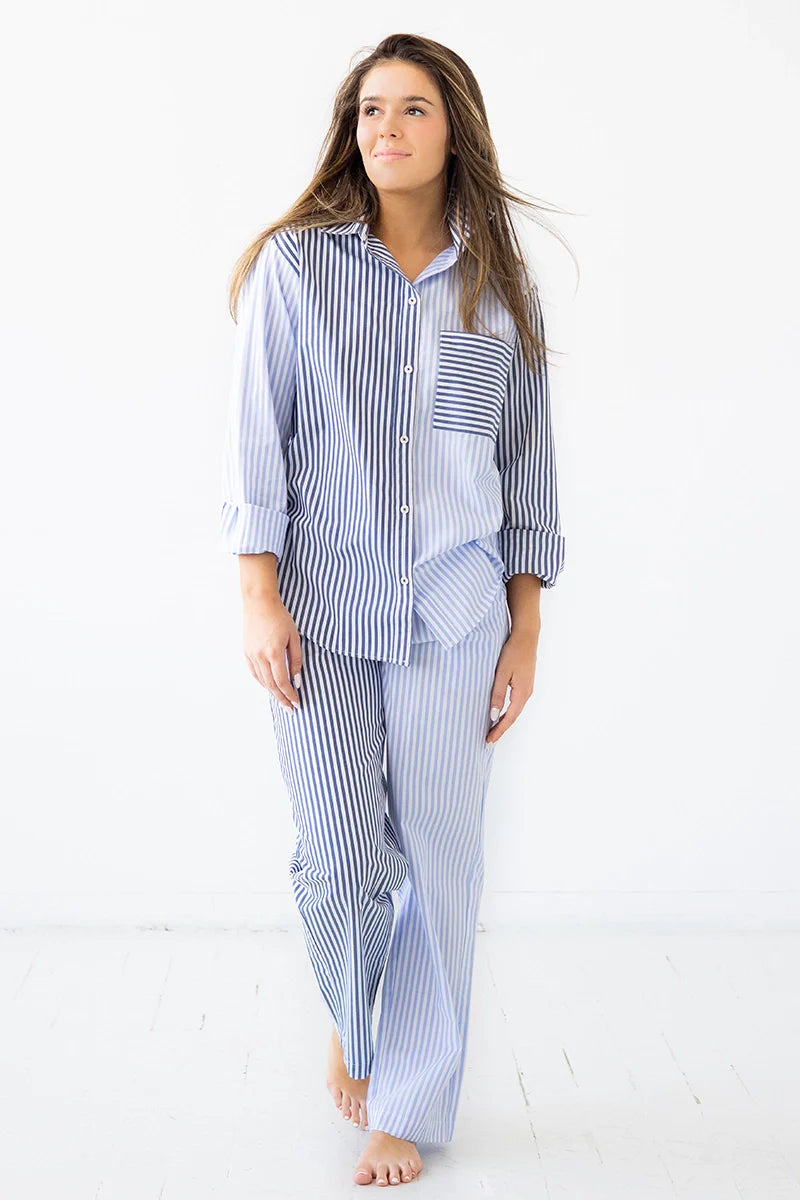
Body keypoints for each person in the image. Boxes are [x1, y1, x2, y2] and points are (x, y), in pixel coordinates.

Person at [220, 32, 567, 1189]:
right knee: (336, 857)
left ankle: (403, 1103)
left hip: (458, 616)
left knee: (441, 863)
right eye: (370, 109)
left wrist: (524, 627)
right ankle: (354, 1017)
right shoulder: (295, 270)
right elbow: (255, 442)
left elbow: (524, 468)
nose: (385, 128)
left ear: (452, 129)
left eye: (411, 108)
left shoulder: (497, 288)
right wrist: (257, 595)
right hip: (320, 611)